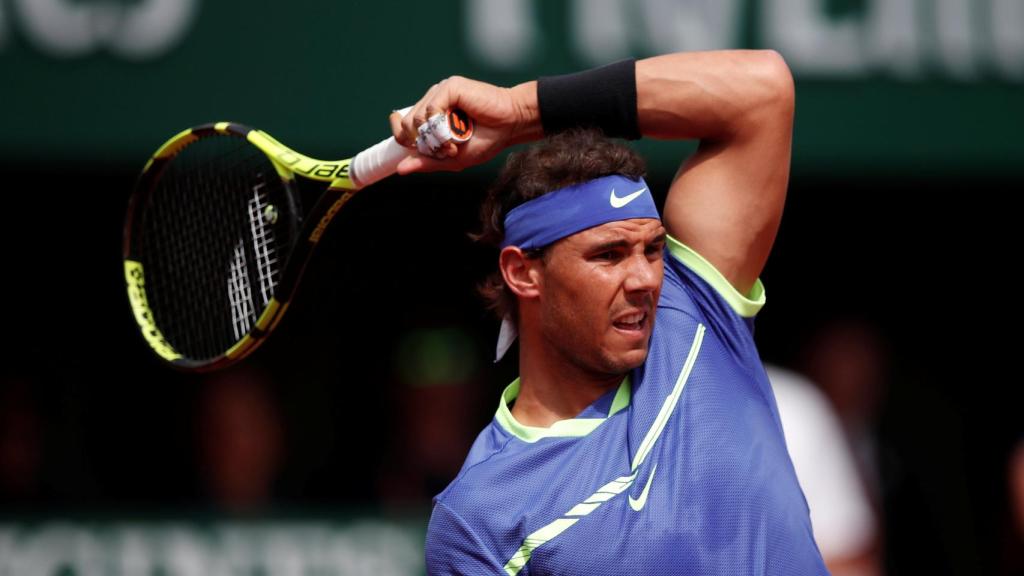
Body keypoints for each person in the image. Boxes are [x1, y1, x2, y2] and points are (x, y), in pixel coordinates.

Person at [390, 50, 824, 574]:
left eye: (652, 249)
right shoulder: (479, 517)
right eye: (608, 255)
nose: (644, 279)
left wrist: (520, 111)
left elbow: (762, 89)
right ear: (523, 272)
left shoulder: (694, 309)